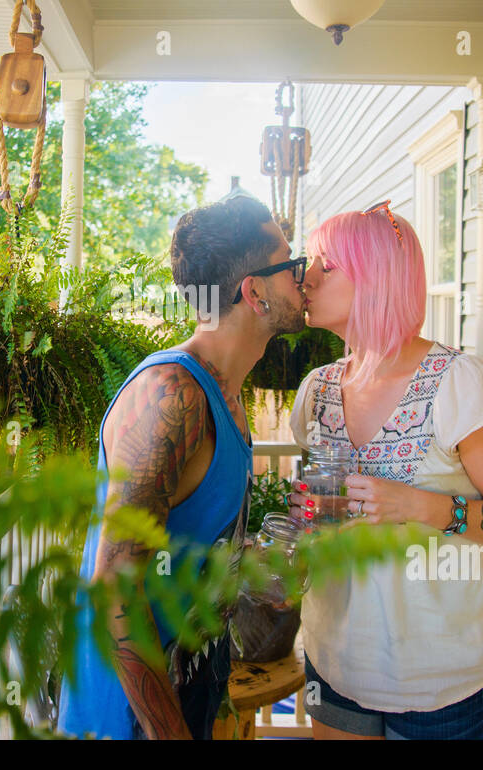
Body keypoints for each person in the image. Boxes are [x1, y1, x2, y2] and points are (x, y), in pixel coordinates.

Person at [286, 201, 483, 740]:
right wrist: (306, 516)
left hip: (444, 684)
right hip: (335, 662)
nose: (305, 277)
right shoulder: (317, 391)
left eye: (326, 265)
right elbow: (320, 511)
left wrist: (418, 506)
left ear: (375, 278)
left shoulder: (461, 382)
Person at [57, 193, 307, 739]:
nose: (302, 277)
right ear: (255, 291)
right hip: (126, 719)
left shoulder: (226, 395)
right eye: (290, 264)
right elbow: (116, 588)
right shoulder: (173, 395)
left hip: (189, 690)